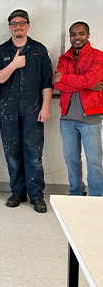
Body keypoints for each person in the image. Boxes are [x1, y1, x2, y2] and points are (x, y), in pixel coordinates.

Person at [0, 9, 53, 213]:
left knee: (34, 154)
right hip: (8, 110)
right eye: (14, 24)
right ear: (9, 27)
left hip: (34, 110)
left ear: (28, 25)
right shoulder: (0, 51)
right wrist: (14, 65)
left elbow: (47, 83)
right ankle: (17, 192)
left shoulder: (39, 50)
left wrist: (45, 107)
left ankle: (36, 195)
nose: (18, 27)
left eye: (22, 23)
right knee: (12, 153)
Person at [53, 21, 103, 196]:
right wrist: (87, 84)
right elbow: (58, 85)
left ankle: (97, 197)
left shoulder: (98, 56)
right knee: (71, 159)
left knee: (94, 162)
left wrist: (66, 78)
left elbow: (91, 79)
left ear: (88, 35)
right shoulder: (63, 58)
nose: (77, 38)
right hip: (67, 118)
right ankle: (76, 192)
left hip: (91, 118)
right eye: (73, 34)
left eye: (81, 34)